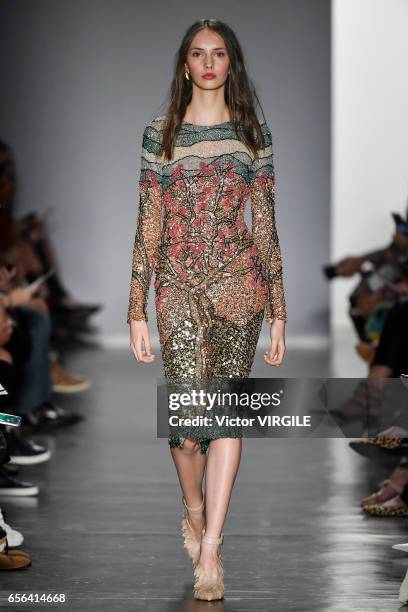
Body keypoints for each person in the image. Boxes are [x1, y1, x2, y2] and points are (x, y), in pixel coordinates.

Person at [127, 19, 287, 601]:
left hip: (242, 286)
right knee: (186, 430)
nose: (209, 62)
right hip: (176, 286)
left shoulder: (253, 133)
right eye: (198, 53)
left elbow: (265, 224)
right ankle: (192, 507)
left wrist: (279, 309)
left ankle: (213, 546)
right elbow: (148, 224)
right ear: (185, 64)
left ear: (231, 63)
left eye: (218, 53)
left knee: (224, 417)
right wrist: (136, 310)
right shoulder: (160, 133)